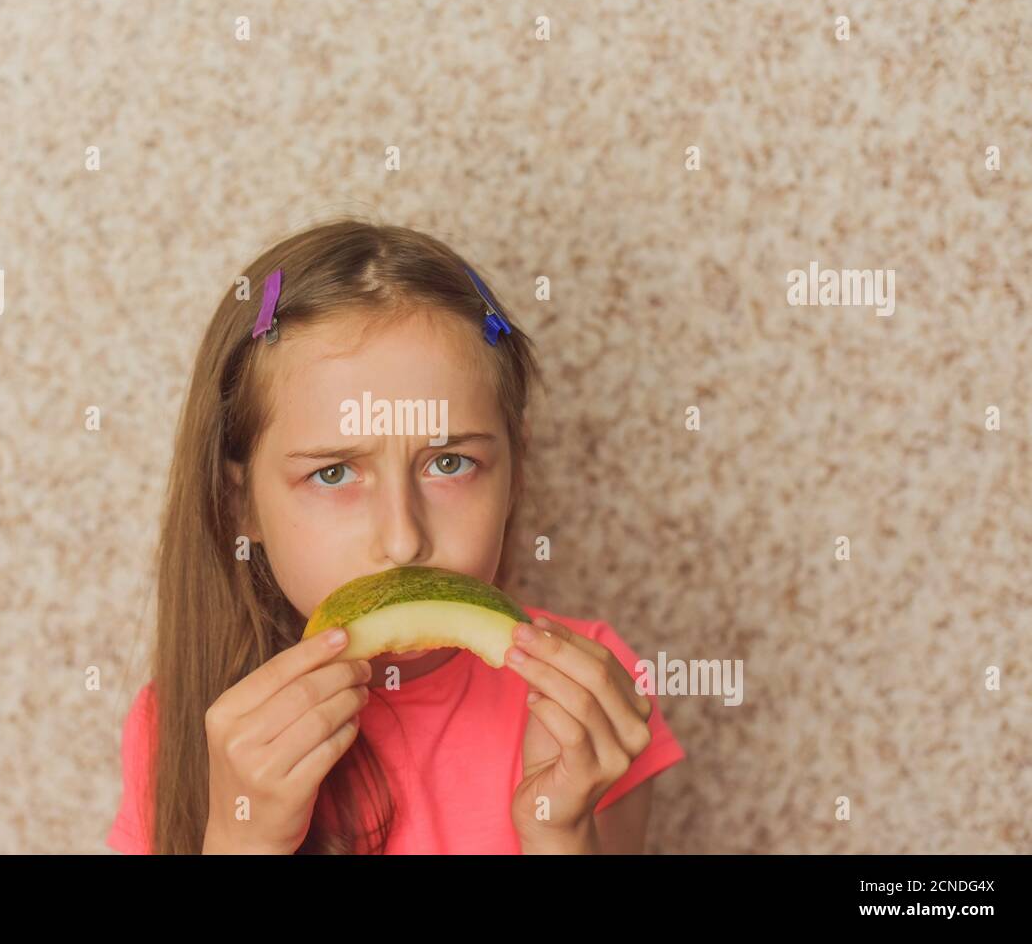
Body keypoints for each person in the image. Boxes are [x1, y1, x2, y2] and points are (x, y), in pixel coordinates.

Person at [108, 218, 686, 854]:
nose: (403, 540)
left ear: (514, 471)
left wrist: (559, 830)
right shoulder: (184, 725)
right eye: (333, 473)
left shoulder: (592, 689)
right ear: (240, 503)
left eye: (449, 463)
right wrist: (243, 839)